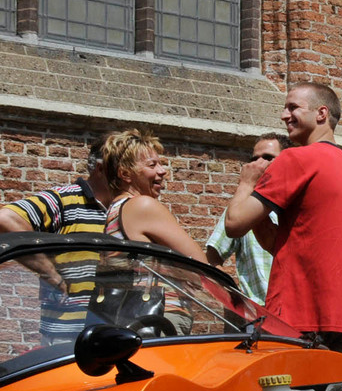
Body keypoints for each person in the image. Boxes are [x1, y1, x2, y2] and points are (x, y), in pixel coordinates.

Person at [225, 82, 342, 356]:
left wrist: (247, 183)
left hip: (295, 322)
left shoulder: (295, 159)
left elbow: (234, 224)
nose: (284, 115)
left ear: (321, 113)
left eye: (293, 107)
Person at [0, 134, 115, 344]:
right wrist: (50, 273)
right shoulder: (65, 200)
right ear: (101, 168)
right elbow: (6, 220)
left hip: (115, 336)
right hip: (68, 338)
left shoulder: (126, 209)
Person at [101, 129, 207, 262]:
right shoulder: (142, 206)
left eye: (160, 164)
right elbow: (200, 264)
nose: (162, 171)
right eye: (152, 165)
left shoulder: (113, 212)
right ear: (125, 174)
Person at [205, 133, 288, 303]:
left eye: (268, 158)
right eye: (254, 158)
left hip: (296, 314)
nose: (258, 164)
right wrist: (235, 295)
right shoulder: (241, 209)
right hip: (258, 315)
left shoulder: (299, 206)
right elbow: (212, 257)